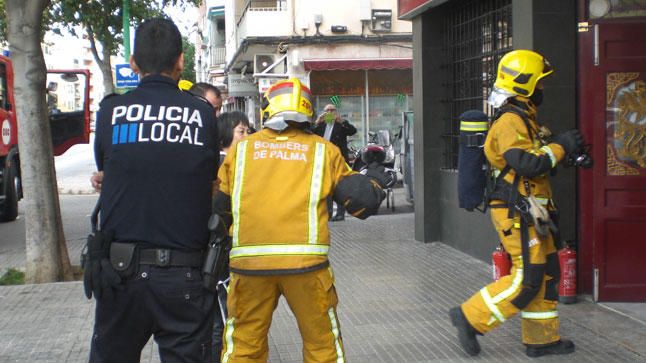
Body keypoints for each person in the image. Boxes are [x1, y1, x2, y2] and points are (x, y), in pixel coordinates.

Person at [213, 78, 387, 362]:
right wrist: (376, 183)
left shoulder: (241, 151)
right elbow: (361, 205)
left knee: (244, 347)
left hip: (249, 269)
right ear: (307, 111)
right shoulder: (323, 150)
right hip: (307, 268)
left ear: (269, 108)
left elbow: (218, 209)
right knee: (322, 347)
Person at [87, 18, 219, 362]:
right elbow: (207, 177)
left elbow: (111, 166)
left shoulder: (110, 112)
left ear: (133, 64)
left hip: (120, 273)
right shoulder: (202, 114)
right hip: (185, 277)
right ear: (180, 61)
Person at [449, 50, 584, 358]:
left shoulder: (526, 120)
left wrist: (565, 151)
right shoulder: (510, 121)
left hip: (533, 210)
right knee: (528, 277)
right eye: (541, 83)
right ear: (526, 86)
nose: (543, 89)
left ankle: (542, 340)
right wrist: (561, 146)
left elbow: (538, 163)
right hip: (516, 211)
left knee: (547, 273)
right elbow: (525, 163)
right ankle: (470, 317)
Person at [312, 104, 357, 221]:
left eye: (332, 110)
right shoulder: (321, 125)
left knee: (340, 186)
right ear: (324, 112)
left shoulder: (341, 124)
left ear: (336, 112)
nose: (330, 112)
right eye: (327, 110)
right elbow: (310, 134)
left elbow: (353, 131)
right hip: (324, 159)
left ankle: (341, 213)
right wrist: (317, 122)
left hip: (339, 159)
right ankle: (328, 213)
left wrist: (341, 121)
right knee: (326, 186)